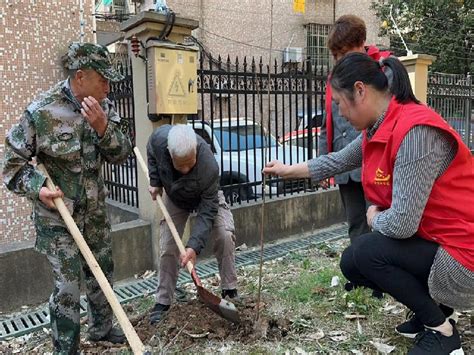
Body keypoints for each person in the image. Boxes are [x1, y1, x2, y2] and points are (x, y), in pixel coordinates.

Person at [264, 53, 473, 355]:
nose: (338, 112)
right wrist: (286, 170)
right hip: (438, 239)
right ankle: (434, 310)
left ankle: (442, 331)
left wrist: (374, 217)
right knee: (353, 261)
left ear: (360, 90)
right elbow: (337, 161)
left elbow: (402, 224)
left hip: (463, 253)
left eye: (339, 102)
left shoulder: (414, 132)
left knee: (365, 251)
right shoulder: (380, 127)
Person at [3, 42, 132, 353]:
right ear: (80, 77)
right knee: (68, 288)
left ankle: (101, 328)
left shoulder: (105, 108)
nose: (108, 85)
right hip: (57, 218)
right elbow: (12, 166)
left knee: (102, 272)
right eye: (102, 78)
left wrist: (104, 129)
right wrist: (39, 189)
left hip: (94, 212)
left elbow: (123, 152)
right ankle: (66, 347)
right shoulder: (42, 112)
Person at [146, 124, 238, 324]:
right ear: (170, 154)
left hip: (207, 197)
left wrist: (193, 247)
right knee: (168, 246)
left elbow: (207, 213)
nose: (186, 169)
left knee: (224, 234)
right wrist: (155, 181)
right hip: (176, 197)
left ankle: (230, 290)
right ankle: (163, 301)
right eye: (181, 165)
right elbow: (151, 152)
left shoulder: (209, 167)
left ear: (196, 150)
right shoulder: (160, 140)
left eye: (190, 163)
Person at [319, 14, 391, 242]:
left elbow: (389, 119)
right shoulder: (335, 79)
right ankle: (362, 274)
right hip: (345, 169)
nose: (339, 60)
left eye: (344, 53)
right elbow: (327, 122)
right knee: (355, 226)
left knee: (379, 223)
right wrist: (324, 162)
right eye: (335, 55)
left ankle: (381, 273)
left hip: (375, 164)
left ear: (361, 44)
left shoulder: (382, 70)